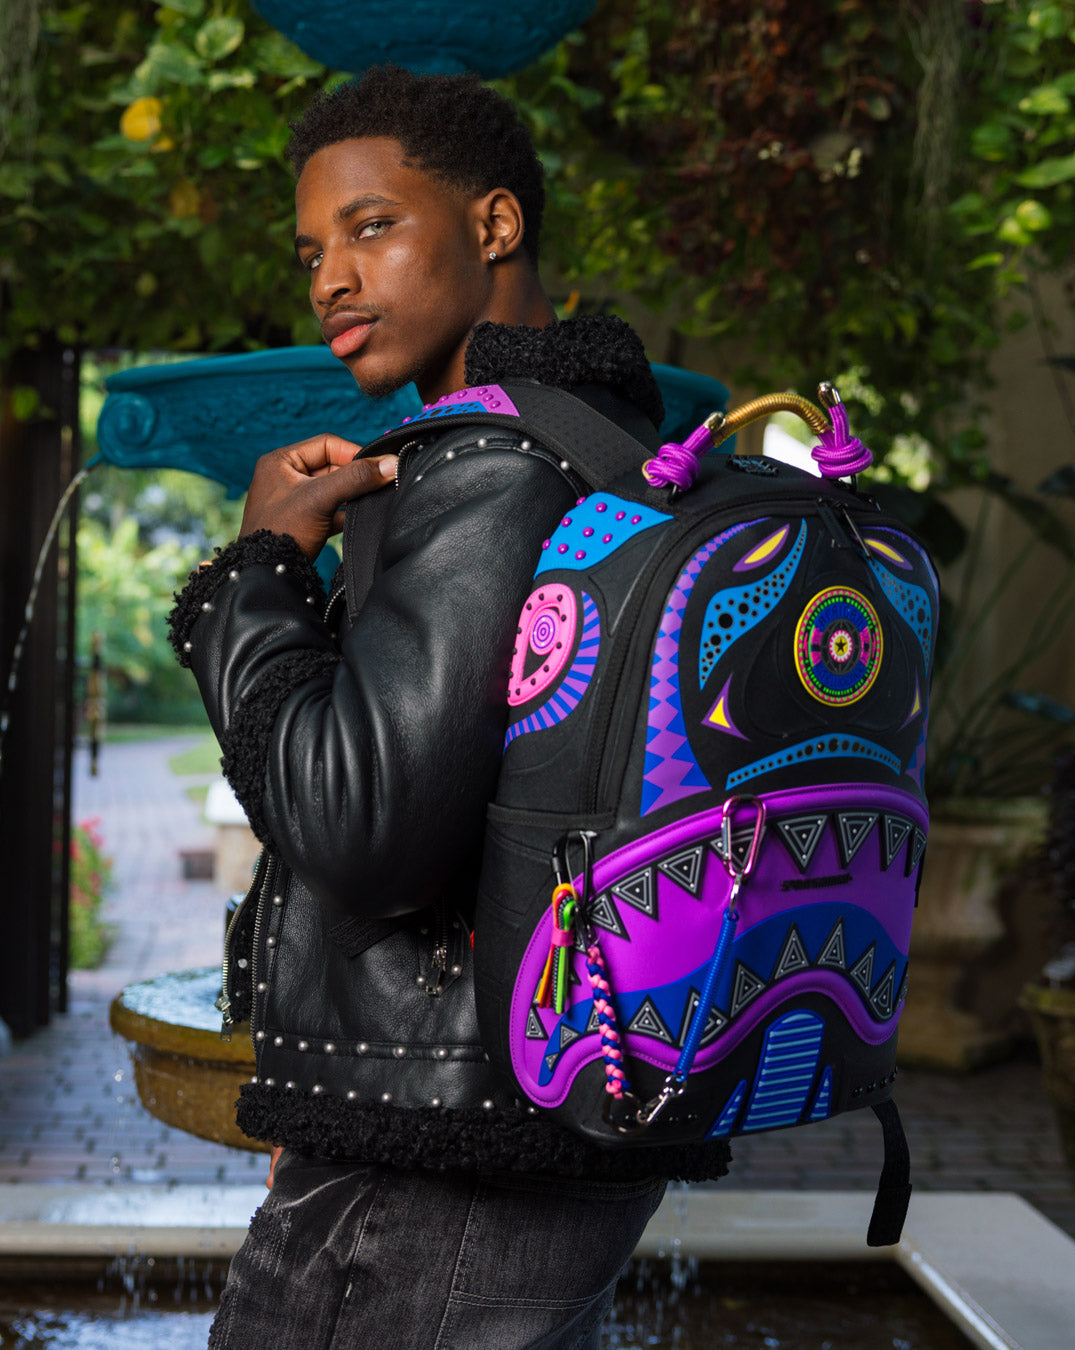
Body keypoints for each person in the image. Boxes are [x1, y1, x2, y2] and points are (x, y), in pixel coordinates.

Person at [168, 65, 730, 1349]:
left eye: (371, 226)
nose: (331, 279)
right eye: (312, 251)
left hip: (435, 1157)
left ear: (495, 224)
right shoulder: (614, 450)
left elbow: (360, 824)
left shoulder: (494, 467)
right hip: (545, 1110)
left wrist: (255, 570)